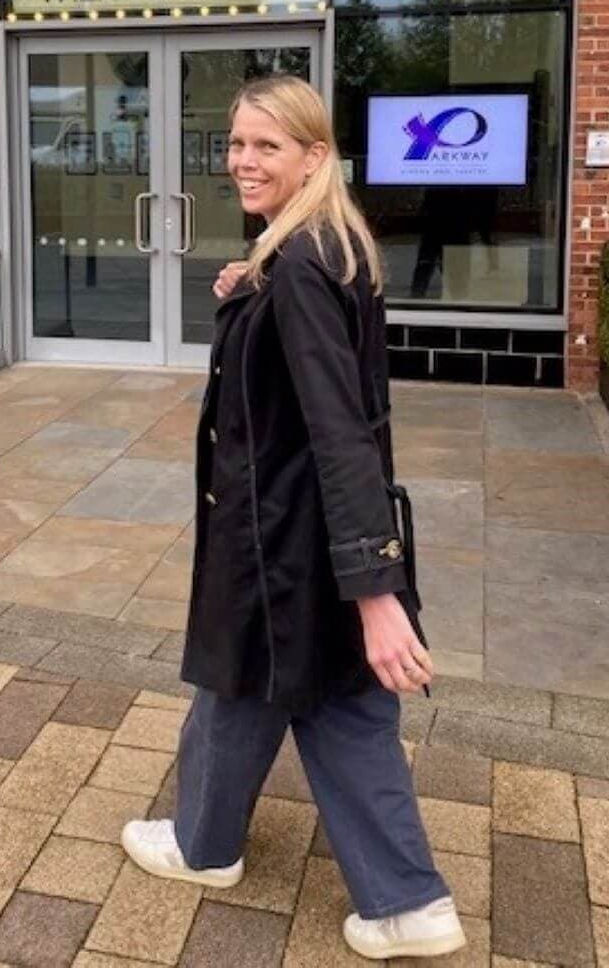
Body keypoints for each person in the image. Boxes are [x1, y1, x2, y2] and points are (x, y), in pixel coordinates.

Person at [121, 76, 465, 962]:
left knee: (258, 685)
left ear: (314, 155)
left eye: (266, 146)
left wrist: (377, 591)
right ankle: (401, 901)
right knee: (299, 700)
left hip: (283, 539)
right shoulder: (318, 246)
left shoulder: (305, 263)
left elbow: (340, 431)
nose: (243, 160)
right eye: (236, 144)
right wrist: (250, 294)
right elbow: (314, 371)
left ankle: (216, 853)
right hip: (295, 537)